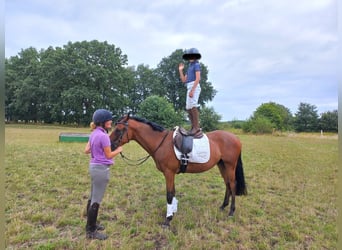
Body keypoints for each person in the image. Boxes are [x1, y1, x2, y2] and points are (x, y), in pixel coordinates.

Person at [84, 109, 123, 240]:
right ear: (102, 122)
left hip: (93, 166)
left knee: (92, 196)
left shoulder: (94, 133)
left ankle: (92, 224)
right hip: (101, 169)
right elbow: (109, 155)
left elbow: (86, 150)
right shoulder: (104, 136)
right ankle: (91, 231)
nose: (111, 121)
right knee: (96, 199)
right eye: (109, 120)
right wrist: (118, 149)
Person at [178, 48, 203, 137]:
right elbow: (184, 80)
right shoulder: (190, 67)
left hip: (194, 86)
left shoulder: (196, 65)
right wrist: (180, 70)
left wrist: (193, 90)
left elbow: (198, 78)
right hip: (189, 86)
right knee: (188, 107)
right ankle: (193, 127)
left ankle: (196, 127)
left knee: (193, 105)